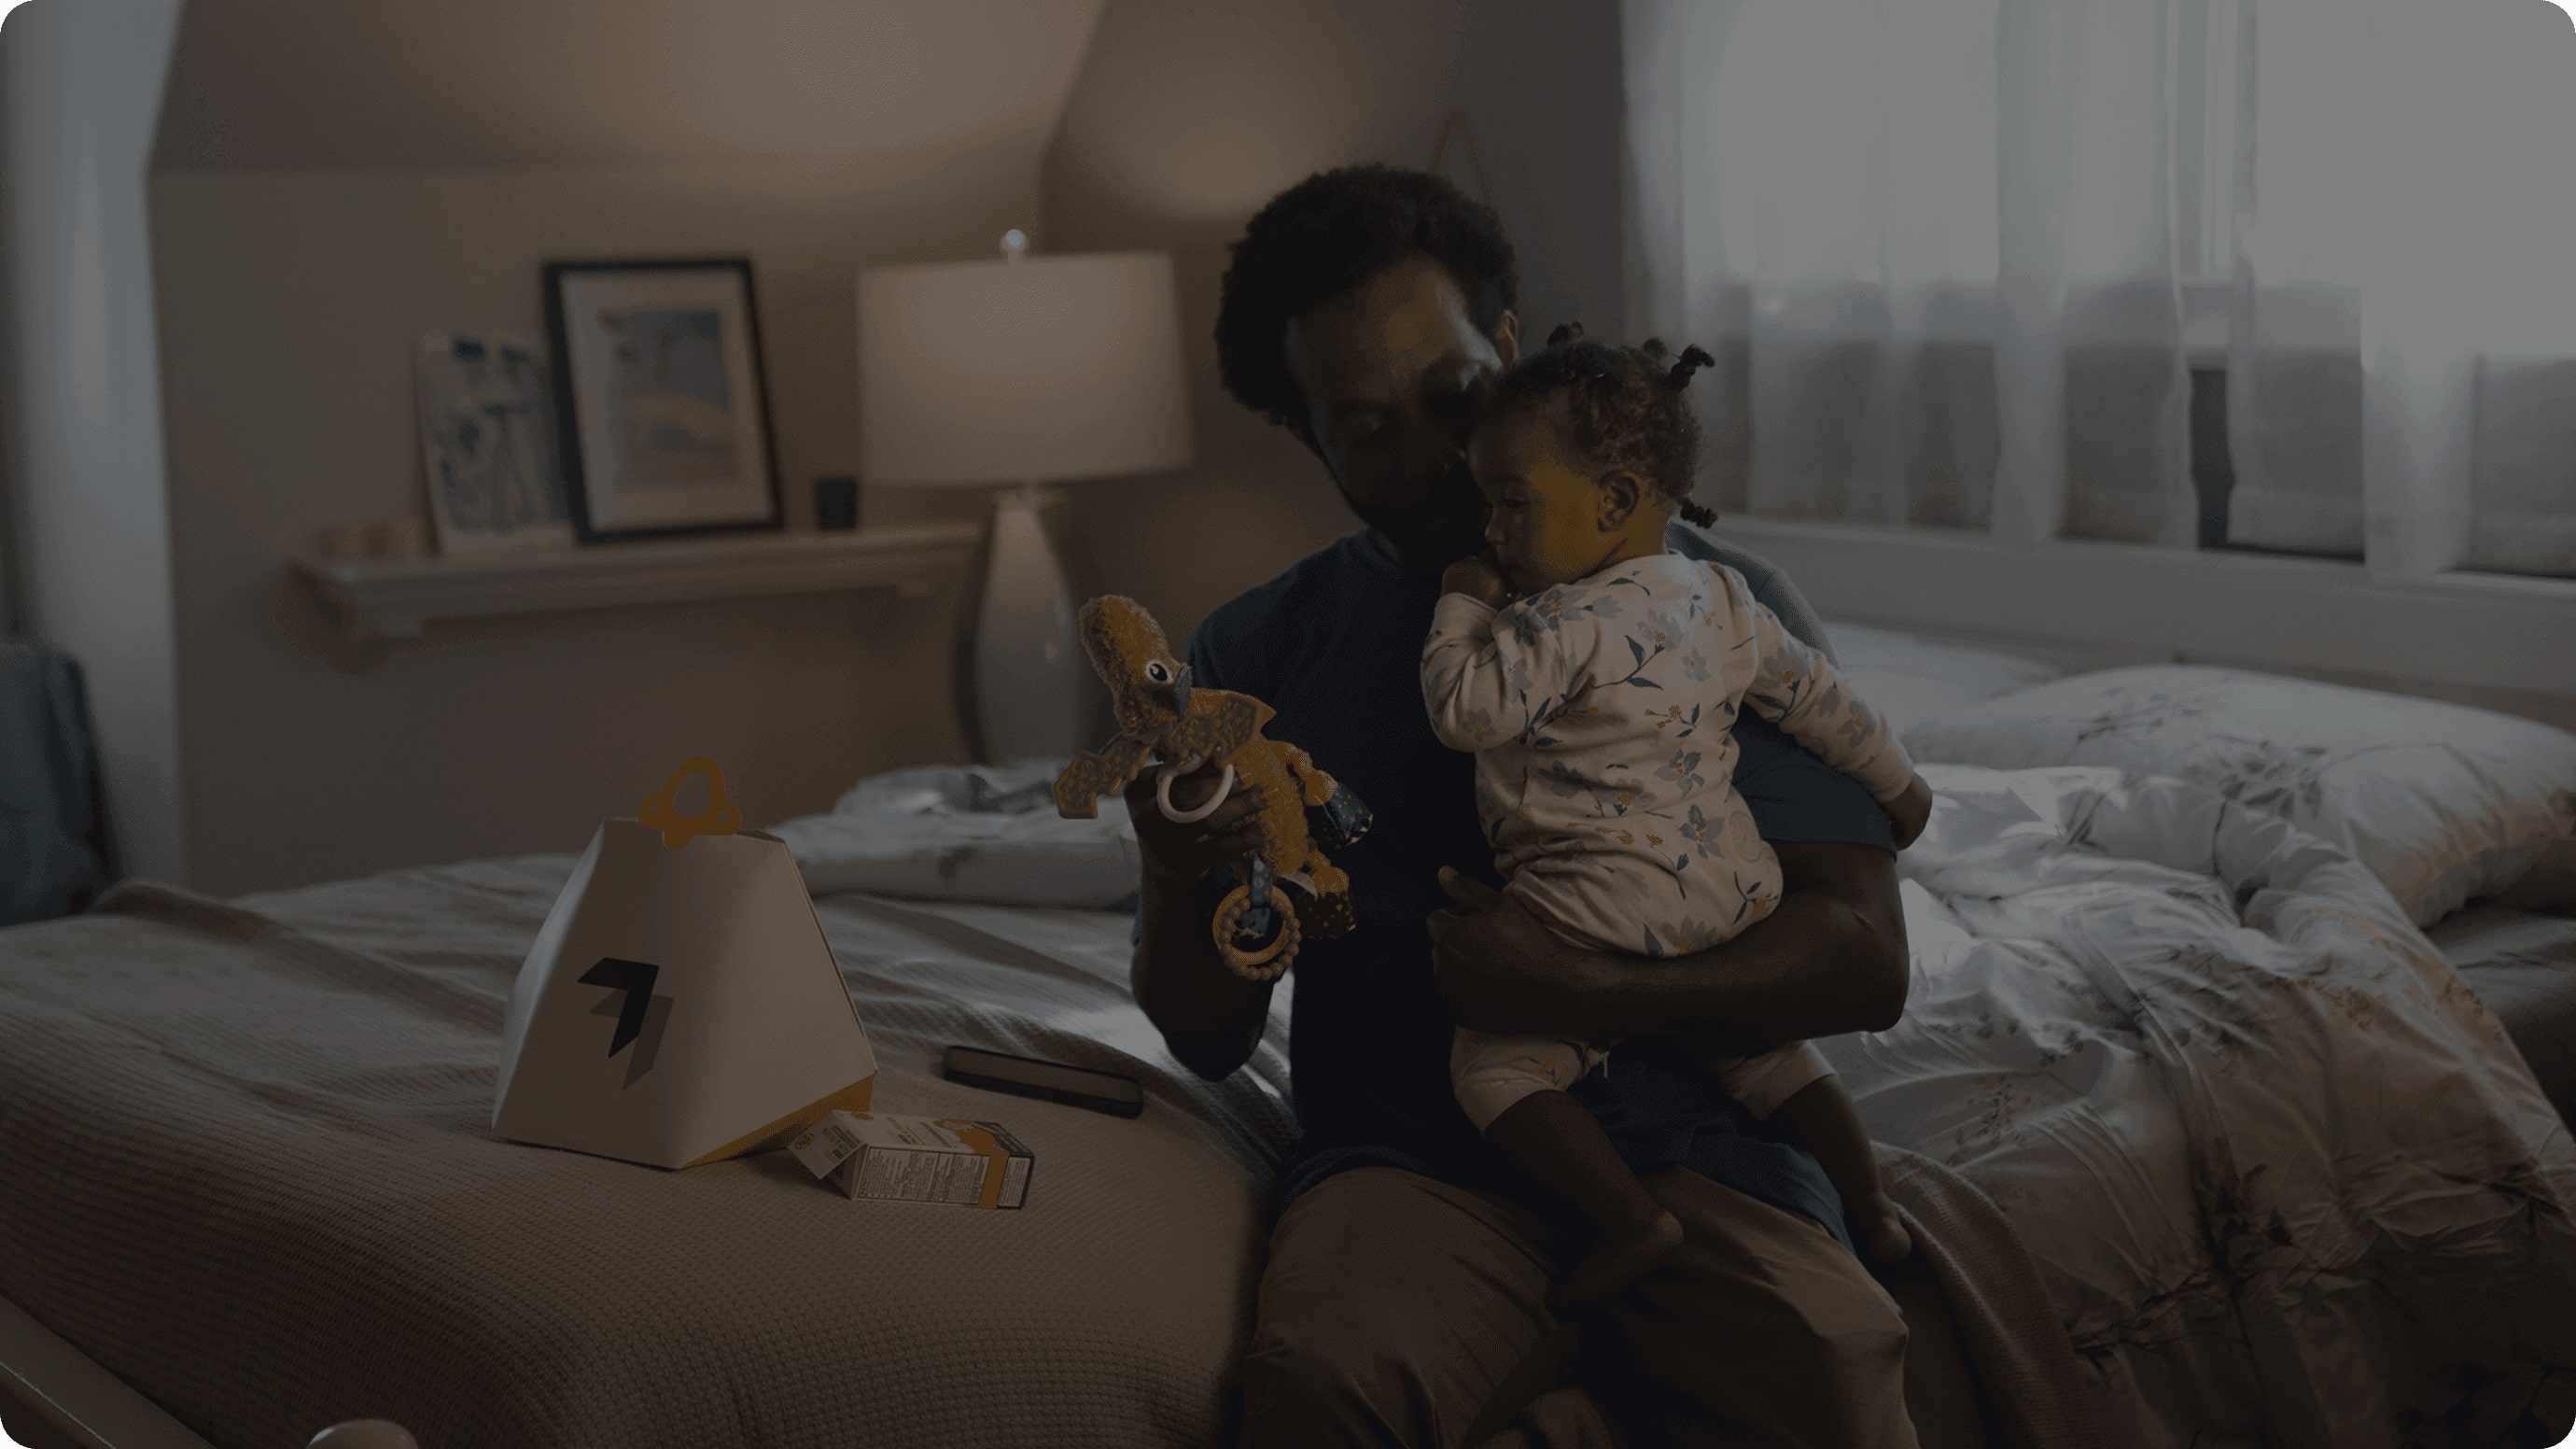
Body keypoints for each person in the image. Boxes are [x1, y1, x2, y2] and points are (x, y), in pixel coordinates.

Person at [1128, 163, 1920, 1447]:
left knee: (1833, 1370)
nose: (1431, 453)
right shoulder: (1256, 657)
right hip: (1412, 1163)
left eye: (1451, 395)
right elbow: (1211, 1039)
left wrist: (1593, 995)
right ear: (1307, 436)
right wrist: (1178, 873)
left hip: (1701, 1146)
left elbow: (1868, 962)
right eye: (1364, 427)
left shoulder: (1713, 604)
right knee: (1322, 1393)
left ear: (1505, 345)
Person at [1422, 326, 1931, 1315]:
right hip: (1725, 889)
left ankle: (1629, 1219)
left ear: (1611, 502)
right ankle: (1872, 1202)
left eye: (1511, 504)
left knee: (1489, 1065)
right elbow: (1821, 702)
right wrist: (1902, 786)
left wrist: (1459, 609)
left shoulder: (1554, 622)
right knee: (1764, 1052)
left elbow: (1464, 712)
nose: (1490, 530)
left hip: (1598, 898)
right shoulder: (1726, 599)